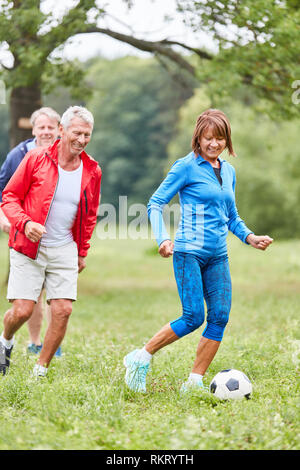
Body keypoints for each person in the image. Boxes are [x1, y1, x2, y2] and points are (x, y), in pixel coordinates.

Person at [124, 108, 273, 393]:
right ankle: (140, 358)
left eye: (220, 138)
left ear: (226, 140)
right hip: (188, 252)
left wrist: (250, 237)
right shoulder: (186, 167)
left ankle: (194, 382)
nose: (214, 144)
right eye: (208, 138)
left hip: (217, 255)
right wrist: (162, 239)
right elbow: (155, 204)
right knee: (193, 316)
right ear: (198, 138)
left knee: (219, 316)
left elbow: (231, 216)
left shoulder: (228, 171)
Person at [0, 105, 102, 378]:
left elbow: (90, 213)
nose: (81, 140)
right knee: (22, 311)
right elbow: (9, 197)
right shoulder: (35, 159)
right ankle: (5, 340)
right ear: (62, 130)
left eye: (87, 135)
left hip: (64, 247)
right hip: (28, 246)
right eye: (76, 133)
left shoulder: (92, 170)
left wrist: (82, 252)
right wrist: (25, 223)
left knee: (63, 309)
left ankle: (40, 369)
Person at [0, 107, 61, 356]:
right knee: (33, 293)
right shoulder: (18, 155)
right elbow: (3, 190)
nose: (46, 132)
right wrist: (5, 218)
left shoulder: (68, 153)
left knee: (56, 292)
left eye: (51, 127)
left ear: (59, 129)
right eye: (41, 127)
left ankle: (50, 343)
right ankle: (35, 341)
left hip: (57, 233)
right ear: (33, 130)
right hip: (27, 231)